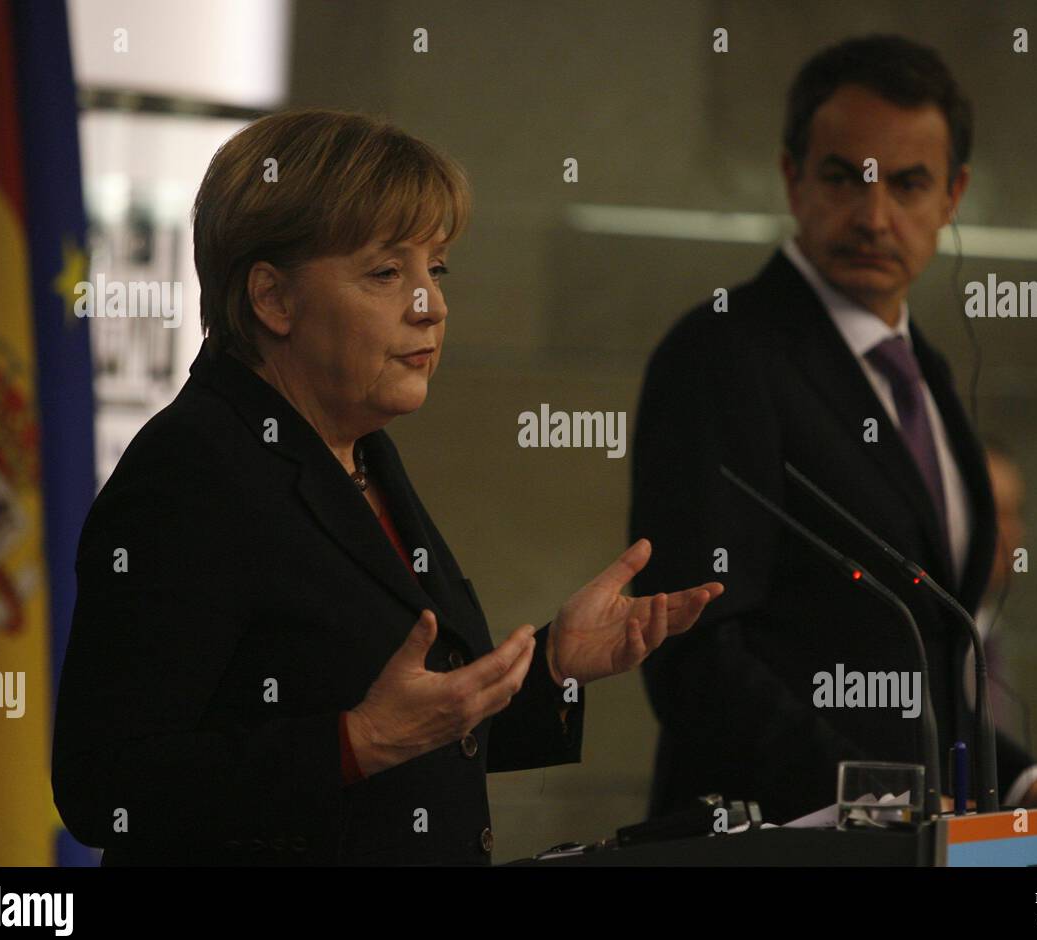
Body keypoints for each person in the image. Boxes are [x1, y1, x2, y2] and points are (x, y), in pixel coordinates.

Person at [51, 108, 723, 865]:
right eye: (385, 273)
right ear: (273, 299)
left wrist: (553, 669)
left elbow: (414, 724)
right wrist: (353, 742)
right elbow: (105, 784)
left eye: (435, 269)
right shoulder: (192, 471)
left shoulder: (359, 450)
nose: (429, 304)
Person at [630, 34, 1037, 823]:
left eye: (909, 183)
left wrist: (1021, 785)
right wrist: (883, 801)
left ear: (953, 197)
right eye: (842, 177)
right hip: (784, 839)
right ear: (792, 178)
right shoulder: (721, 352)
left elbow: (923, 662)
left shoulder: (924, 372)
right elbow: (694, 650)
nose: (874, 215)